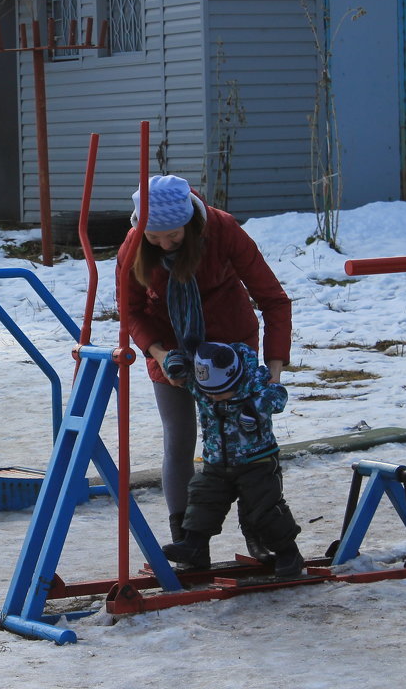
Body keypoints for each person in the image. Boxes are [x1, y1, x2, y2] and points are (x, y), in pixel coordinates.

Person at [116, 174, 292, 553]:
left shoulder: (223, 230)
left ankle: (260, 532)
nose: (164, 243)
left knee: (248, 445)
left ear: (191, 225)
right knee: (179, 440)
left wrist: (272, 374)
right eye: (154, 237)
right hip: (170, 350)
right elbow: (129, 311)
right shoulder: (133, 244)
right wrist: (161, 354)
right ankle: (188, 541)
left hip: (231, 352)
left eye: (174, 237)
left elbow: (274, 299)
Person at [161, 341, 303, 579]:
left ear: (235, 378)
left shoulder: (255, 384)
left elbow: (278, 396)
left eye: (220, 391)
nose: (213, 397)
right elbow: (180, 367)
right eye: (209, 392)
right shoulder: (204, 385)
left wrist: (256, 407)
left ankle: (289, 553)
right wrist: (172, 363)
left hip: (257, 461)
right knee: (202, 498)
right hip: (216, 462)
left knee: (265, 509)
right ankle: (194, 546)